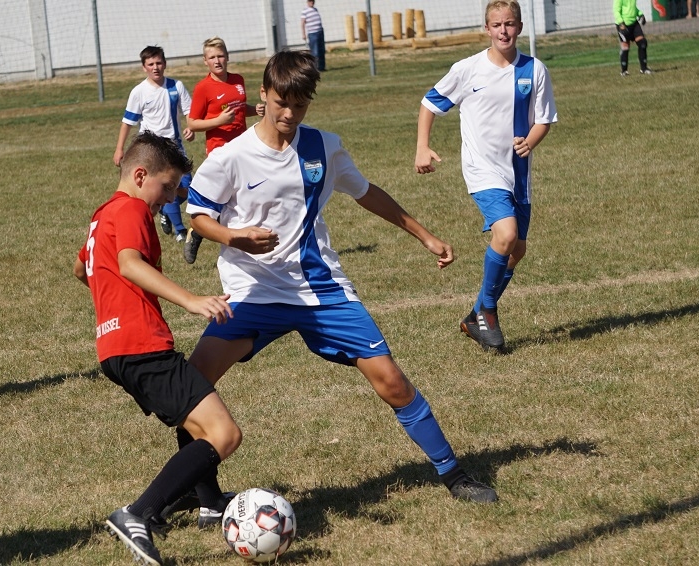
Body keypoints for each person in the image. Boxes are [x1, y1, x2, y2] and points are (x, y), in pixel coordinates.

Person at [181, 50, 498, 506]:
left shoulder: (323, 146)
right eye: (281, 103)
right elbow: (198, 215)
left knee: (392, 381)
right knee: (192, 386)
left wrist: (425, 236)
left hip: (321, 289)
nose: (290, 114)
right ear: (263, 95)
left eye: (300, 105)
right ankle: (199, 495)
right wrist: (234, 237)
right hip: (254, 291)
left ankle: (454, 475)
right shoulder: (231, 157)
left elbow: (366, 193)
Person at [74, 131, 241, 566]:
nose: (169, 198)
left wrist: (111, 295)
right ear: (139, 175)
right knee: (224, 434)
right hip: (141, 343)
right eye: (167, 187)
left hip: (114, 347)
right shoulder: (131, 209)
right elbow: (129, 263)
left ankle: (209, 501)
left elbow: (81, 267)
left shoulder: (101, 215)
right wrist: (192, 300)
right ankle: (138, 513)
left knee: (197, 418)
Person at [415, 0, 557, 354]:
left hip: (518, 173)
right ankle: (488, 311)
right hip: (482, 169)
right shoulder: (468, 69)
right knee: (505, 234)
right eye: (497, 25)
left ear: (519, 27)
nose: (503, 31)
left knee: (517, 250)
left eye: (509, 24)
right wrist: (422, 146)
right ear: (487, 29)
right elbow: (430, 103)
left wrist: (531, 141)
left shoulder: (534, 70)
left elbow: (544, 119)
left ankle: (475, 315)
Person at [184, 37, 265, 265]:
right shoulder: (203, 88)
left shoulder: (238, 80)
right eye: (212, 58)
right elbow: (192, 123)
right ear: (205, 61)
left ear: (227, 57)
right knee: (222, 196)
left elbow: (239, 109)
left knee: (244, 193)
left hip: (243, 145)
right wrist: (219, 121)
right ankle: (197, 230)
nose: (217, 61)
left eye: (220, 56)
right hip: (219, 149)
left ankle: (246, 238)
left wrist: (255, 109)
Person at [114, 45, 196, 244]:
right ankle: (180, 231)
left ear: (165, 64)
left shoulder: (176, 86)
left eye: (159, 63)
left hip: (174, 145)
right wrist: (119, 149)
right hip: (151, 148)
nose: (155, 67)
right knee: (167, 185)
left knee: (186, 189)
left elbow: (189, 112)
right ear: (144, 67)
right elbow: (128, 122)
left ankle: (165, 211)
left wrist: (190, 127)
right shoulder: (139, 92)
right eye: (150, 64)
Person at [613, 0, 652, 76]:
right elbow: (616, 10)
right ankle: (624, 71)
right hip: (623, 25)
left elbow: (632, 8)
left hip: (634, 23)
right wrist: (621, 23)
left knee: (642, 43)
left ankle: (644, 69)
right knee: (625, 47)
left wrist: (640, 14)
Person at [301, 0, 327, 71]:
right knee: (315, 52)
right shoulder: (305, 11)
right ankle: (315, 68)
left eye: (313, 1)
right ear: (307, 2)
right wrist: (303, 34)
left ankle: (322, 67)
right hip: (312, 33)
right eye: (310, 1)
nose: (312, 2)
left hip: (320, 32)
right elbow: (302, 23)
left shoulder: (315, 9)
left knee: (322, 50)